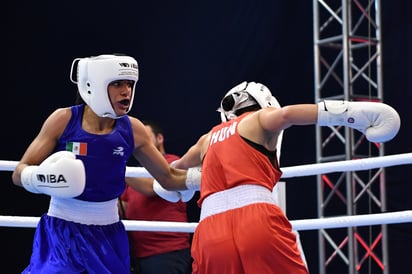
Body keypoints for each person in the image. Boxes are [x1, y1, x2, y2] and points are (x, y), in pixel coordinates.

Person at [156, 81, 400, 274]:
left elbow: (173, 170)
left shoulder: (207, 138)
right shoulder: (259, 119)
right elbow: (286, 116)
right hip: (256, 219)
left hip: (209, 231)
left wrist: (185, 182)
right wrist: (350, 113)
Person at [11, 53, 200, 274]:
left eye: (129, 84)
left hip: (107, 235)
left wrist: (204, 178)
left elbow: (168, 177)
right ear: (94, 85)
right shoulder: (63, 120)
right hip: (61, 230)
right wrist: (46, 178)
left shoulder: (134, 129)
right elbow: (18, 173)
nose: (126, 91)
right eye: (117, 83)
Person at [120, 120, 193, 274]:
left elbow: (150, 187)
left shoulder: (173, 164)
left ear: (159, 138)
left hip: (167, 251)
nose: (140, 139)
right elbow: (122, 208)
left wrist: (115, 166)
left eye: (145, 135)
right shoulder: (134, 174)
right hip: (138, 253)